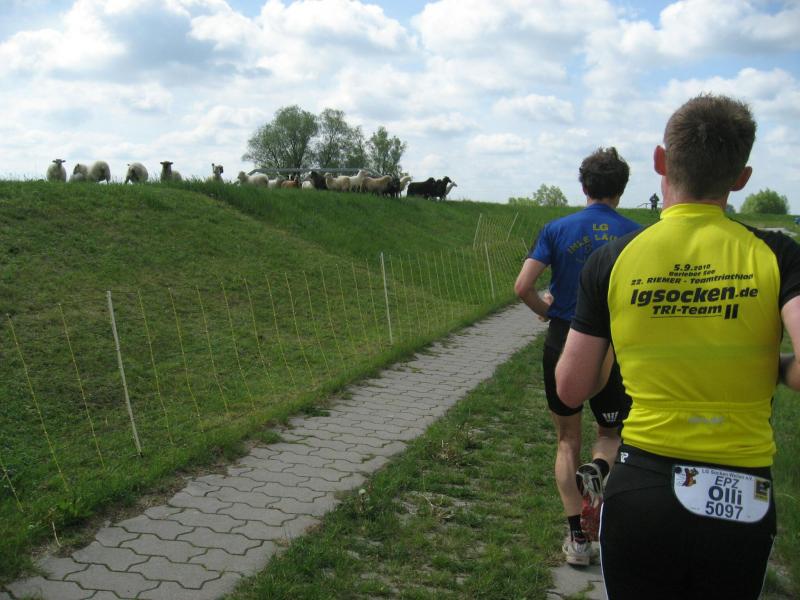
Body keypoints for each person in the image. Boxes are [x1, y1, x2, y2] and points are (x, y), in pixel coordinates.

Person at [555, 94, 800, 599]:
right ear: (741, 177)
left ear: (660, 161)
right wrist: (774, 367)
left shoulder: (614, 258)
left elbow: (571, 387)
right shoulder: (777, 254)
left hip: (644, 483)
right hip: (742, 491)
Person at [514, 147, 639, 566]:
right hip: (614, 346)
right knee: (610, 435)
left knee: (567, 440)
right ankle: (599, 471)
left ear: (584, 186)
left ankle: (578, 541)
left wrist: (548, 311)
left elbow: (523, 287)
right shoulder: (637, 235)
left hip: (565, 337)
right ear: (621, 189)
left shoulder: (557, 229)